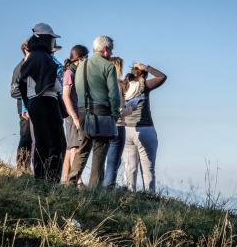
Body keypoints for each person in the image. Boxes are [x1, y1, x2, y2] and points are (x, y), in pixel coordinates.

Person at [69, 35, 121, 187]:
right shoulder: (108, 66)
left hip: (83, 112)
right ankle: (94, 192)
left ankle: (71, 182)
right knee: (99, 154)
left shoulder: (81, 66)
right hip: (102, 113)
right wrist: (115, 115)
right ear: (105, 50)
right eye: (110, 50)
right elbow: (114, 95)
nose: (111, 54)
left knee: (83, 149)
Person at [19, 23, 67, 182]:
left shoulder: (33, 56)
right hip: (46, 101)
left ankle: (40, 179)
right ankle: (52, 180)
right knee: (57, 143)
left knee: (42, 143)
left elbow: (22, 83)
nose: (54, 42)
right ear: (46, 39)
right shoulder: (42, 56)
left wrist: (29, 102)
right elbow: (52, 84)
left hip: (35, 103)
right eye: (52, 39)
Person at [123, 63, 167, 193]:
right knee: (148, 167)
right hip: (145, 128)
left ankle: (129, 194)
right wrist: (146, 67)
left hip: (126, 130)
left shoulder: (124, 86)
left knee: (130, 166)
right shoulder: (145, 86)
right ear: (143, 76)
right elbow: (162, 77)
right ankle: (150, 195)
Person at [103, 58, 137, 187]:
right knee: (113, 162)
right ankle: (108, 189)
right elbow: (120, 110)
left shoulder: (103, 83)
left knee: (102, 159)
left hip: (103, 123)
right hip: (117, 125)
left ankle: (98, 187)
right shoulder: (116, 84)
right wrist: (132, 108)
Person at [61, 45, 89, 184]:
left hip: (76, 114)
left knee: (69, 148)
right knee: (75, 147)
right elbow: (65, 96)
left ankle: (65, 179)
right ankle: (77, 181)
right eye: (86, 57)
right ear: (80, 58)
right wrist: (75, 117)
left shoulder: (76, 72)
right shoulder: (70, 73)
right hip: (73, 115)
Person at [10, 42, 33, 170]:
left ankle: (28, 167)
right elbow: (14, 91)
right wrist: (28, 97)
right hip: (24, 109)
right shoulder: (19, 68)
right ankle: (21, 167)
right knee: (26, 136)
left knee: (33, 138)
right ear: (25, 50)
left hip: (35, 106)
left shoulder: (32, 65)